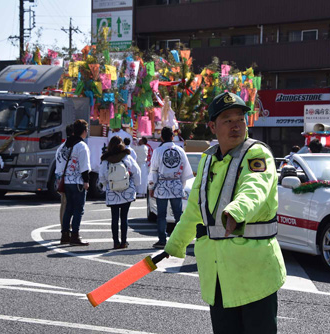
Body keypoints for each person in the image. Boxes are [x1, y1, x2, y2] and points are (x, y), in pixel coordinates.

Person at [164, 92, 286, 333]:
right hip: (218, 276)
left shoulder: (257, 154)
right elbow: (193, 211)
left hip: (254, 273)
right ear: (213, 126)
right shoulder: (208, 160)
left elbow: (255, 188)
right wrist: (175, 244)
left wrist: (236, 211)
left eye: (240, 119)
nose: (236, 125)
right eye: (227, 120)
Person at [148, 126, 194, 249]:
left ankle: (162, 240)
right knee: (178, 215)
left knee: (161, 215)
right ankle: (180, 240)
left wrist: (151, 187)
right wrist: (182, 185)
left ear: (161, 137)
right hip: (176, 184)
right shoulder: (180, 150)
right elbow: (186, 171)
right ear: (172, 137)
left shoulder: (158, 151)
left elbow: (153, 170)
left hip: (162, 185)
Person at [99, 136, 141, 249]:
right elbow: (137, 172)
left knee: (114, 218)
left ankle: (115, 242)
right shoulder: (126, 157)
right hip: (126, 190)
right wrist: (136, 185)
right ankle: (124, 242)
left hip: (112, 191)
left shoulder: (105, 159)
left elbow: (101, 176)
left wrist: (105, 185)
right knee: (124, 217)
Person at [60, 119, 91, 246]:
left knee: (69, 208)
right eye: (87, 129)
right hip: (78, 181)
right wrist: (86, 181)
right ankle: (75, 236)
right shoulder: (82, 146)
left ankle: (64, 234)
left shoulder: (67, 144)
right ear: (84, 131)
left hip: (67, 180)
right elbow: (84, 166)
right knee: (79, 209)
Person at [55, 124, 75, 229]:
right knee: (67, 204)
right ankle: (65, 227)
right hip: (67, 176)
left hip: (59, 175)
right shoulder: (72, 147)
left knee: (63, 203)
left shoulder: (61, 147)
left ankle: (64, 225)